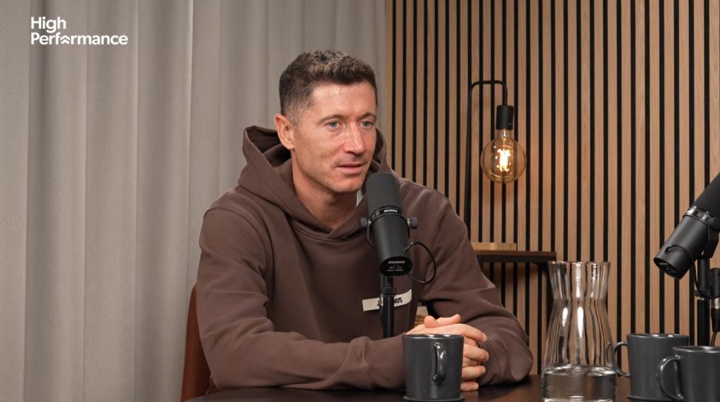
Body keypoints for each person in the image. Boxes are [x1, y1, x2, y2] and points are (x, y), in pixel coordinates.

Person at [195, 50, 533, 394]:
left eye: (366, 123)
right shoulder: (237, 220)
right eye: (334, 124)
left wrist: (456, 356)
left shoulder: (425, 210)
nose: (357, 145)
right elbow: (234, 355)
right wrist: (401, 359)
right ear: (287, 132)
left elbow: (509, 343)